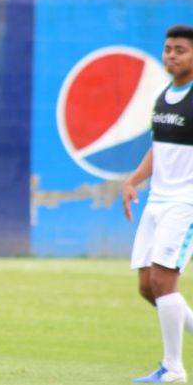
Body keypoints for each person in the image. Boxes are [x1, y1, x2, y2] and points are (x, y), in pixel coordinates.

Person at [123, 24, 193, 384]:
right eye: (168, 49)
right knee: (147, 287)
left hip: (185, 204)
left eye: (180, 50)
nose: (172, 56)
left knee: (164, 281)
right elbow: (158, 149)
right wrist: (133, 180)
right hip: (157, 201)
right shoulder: (164, 96)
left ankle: (174, 369)